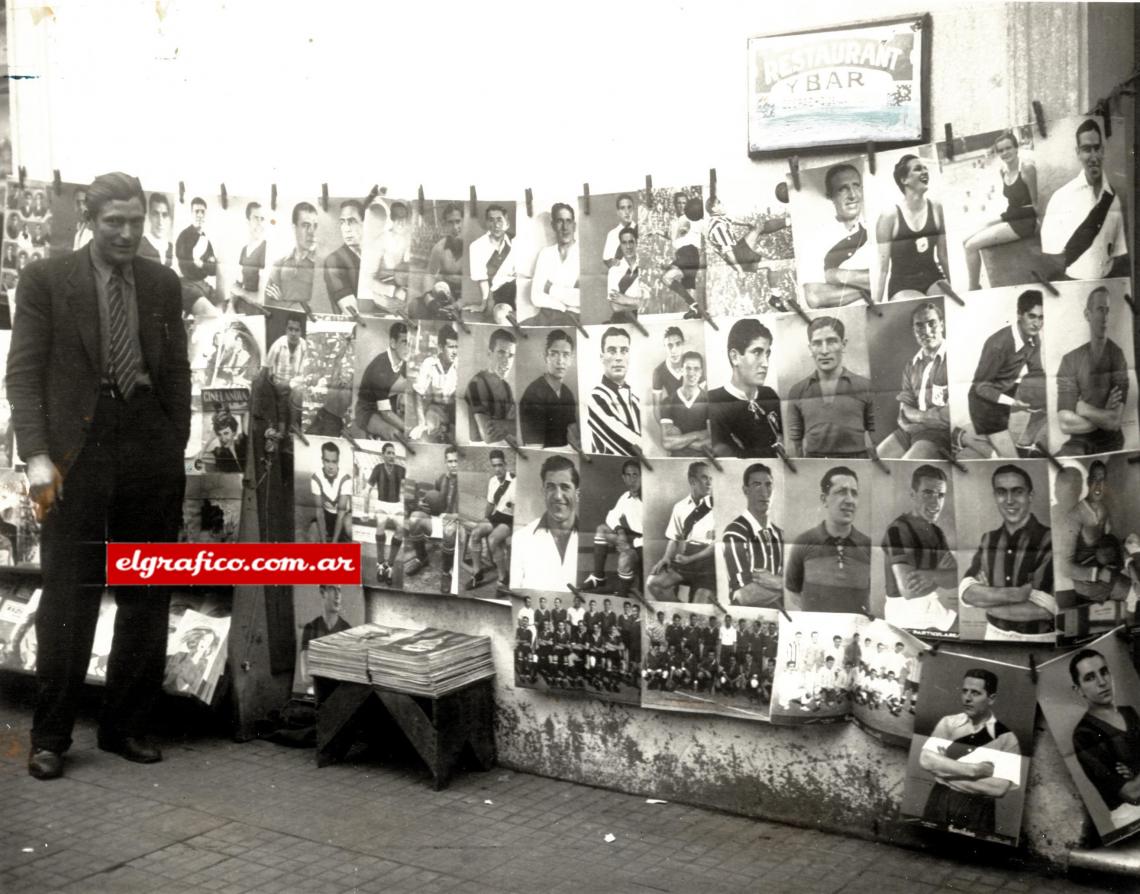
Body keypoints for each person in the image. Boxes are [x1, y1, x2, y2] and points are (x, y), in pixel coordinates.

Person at [8, 172, 191, 779]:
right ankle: (51, 736)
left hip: (146, 443)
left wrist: (172, 440)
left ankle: (125, 726)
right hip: (75, 454)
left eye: (136, 221)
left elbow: (177, 372)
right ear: (90, 219)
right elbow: (24, 375)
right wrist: (36, 456)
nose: (127, 233)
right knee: (71, 592)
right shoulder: (46, 281)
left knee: (146, 590)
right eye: (115, 221)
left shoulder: (163, 284)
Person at [919, 668, 1022, 838]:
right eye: (965, 691)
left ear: (991, 698)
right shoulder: (948, 723)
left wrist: (945, 771)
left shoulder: (1006, 737)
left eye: (975, 693)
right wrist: (975, 771)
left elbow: (999, 788)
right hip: (940, 800)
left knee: (971, 859)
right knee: (930, 847)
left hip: (979, 809)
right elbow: (926, 760)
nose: (967, 698)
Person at [960, 464, 1055, 642]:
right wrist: (1017, 594)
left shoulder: (1049, 539)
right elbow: (966, 591)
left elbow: (1045, 609)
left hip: (1040, 639)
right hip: (993, 634)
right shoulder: (988, 539)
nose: (1009, 500)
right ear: (995, 496)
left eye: (1018, 491)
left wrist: (985, 601)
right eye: (1002, 492)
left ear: (1030, 496)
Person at [1041, 118, 1130, 281]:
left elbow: (1117, 252)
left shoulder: (1113, 199)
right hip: (1073, 283)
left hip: (1106, 282)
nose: (1093, 156)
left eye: (1097, 148)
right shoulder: (1060, 198)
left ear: (1103, 151)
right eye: (1087, 149)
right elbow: (1051, 252)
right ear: (1078, 153)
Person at [966, 289, 1046, 458]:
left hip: (1006, 391)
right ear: (1019, 314)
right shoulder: (998, 344)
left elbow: (1037, 372)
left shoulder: (1034, 338)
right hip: (984, 402)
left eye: (1041, 318)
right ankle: (964, 437)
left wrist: (1043, 395)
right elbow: (981, 387)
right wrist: (1013, 403)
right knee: (1011, 459)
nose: (1037, 323)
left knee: (1051, 398)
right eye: (1032, 316)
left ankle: (1024, 443)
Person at [882, 464, 958, 633]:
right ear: (913, 495)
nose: (935, 502)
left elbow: (955, 578)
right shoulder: (897, 530)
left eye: (941, 495)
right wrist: (940, 574)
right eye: (928, 493)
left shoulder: (936, 531)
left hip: (930, 605)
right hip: (905, 612)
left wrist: (931, 576)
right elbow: (909, 591)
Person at [785, 466, 871, 613]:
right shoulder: (804, 542)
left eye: (854, 493)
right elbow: (793, 591)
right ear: (824, 499)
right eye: (841, 492)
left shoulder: (868, 545)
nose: (850, 500)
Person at [1069, 649, 1140, 825]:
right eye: (1090, 677)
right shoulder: (1083, 734)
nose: (1102, 682)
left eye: (1104, 672)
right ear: (1078, 690)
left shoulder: (1129, 713)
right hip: (1132, 816)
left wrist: (1135, 770)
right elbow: (1132, 793)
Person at [1056, 286, 1130, 455]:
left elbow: (1114, 421)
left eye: (1107, 311)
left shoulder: (1117, 356)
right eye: (1099, 310)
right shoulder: (1070, 360)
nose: (1104, 317)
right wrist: (1104, 411)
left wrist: (1084, 409)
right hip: (1078, 442)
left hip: (1110, 442)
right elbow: (1065, 424)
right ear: (1087, 314)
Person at [786, 316, 874, 459]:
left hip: (858, 463)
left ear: (843, 344)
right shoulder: (798, 390)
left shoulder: (865, 386)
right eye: (817, 343)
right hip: (814, 465)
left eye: (831, 341)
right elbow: (795, 445)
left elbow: (877, 439)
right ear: (810, 349)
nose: (824, 351)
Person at [963, 131, 1039, 290]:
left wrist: (1042, 228)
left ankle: (973, 289)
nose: (1005, 153)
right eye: (1001, 150)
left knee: (971, 246)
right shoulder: (1002, 171)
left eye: (1008, 148)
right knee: (965, 239)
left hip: (1024, 222)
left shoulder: (1027, 169)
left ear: (1016, 148)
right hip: (1010, 215)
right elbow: (1012, 202)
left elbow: (1035, 204)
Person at [876, 301, 951, 460]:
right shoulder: (911, 365)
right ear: (914, 331)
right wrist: (926, 417)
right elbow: (904, 410)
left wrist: (915, 418)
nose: (927, 331)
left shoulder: (954, 358)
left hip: (939, 435)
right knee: (877, 460)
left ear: (942, 325)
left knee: (907, 464)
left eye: (932, 324)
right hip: (910, 430)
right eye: (919, 326)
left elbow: (947, 417)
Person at [874, 154, 950, 303]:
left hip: (934, 277)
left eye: (925, 168)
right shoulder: (889, 216)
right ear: (904, 180)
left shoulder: (936, 208)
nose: (924, 172)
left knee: (948, 304)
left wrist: (953, 288)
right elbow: (882, 268)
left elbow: (943, 256)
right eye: (917, 169)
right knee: (924, 306)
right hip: (903, 284)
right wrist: (876, 304)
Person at [708, 317, 782, 458]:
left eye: (767, 354)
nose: (765, 363)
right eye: (757, 352)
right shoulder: (713, 401)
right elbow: (729, 457)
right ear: (735, 357)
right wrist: (773, 450)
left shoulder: (770, 395)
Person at [803, 163, 873, 308]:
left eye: (856, 186)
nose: (852, 195)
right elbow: (814, 297)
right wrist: (866, 287)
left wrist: (837, 275)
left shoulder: (876, 229)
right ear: (830, 196)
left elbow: (891, 278)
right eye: (843, 189)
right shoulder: (815, 239)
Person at [647, 462, 717, 603]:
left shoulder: (718, 506)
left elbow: (717, 544)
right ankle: (682, 612)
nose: (709, 483)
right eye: (704, 478)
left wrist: (689, 559)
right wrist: (666, 558)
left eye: (711, 478)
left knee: (699, 606)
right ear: (692, 481)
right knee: (653, 583)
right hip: (688, 557)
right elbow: (674, 537)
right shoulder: (680, 507)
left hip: (710, 563)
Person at [511, 454, 579, 592]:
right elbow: (515, 596)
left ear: (577, 494)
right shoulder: (521, 539)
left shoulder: (594, 540)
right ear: (543, 491)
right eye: (551, 487)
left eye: (565, 487)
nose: (558, 496)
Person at [722, 462, 785, 607]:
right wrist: (785, 585)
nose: (764, 492)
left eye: (768, 485)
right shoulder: (735, 532)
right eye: (757, 485)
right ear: (745, 490)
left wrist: (779, 583)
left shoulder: (780, 534)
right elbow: (744, 595)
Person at [581, 459, 642, 596]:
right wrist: (620, 532)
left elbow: (653, 535)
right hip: (630, 537)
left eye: (635, 475)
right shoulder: (626, 496)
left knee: (625, 557)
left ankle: (622, 591)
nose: (632, 480)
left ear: (642, 476)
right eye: (628, 475)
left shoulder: (648, 498)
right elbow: (611, 516)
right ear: (623, 478)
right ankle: (598, 577)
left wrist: (628, 546)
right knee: (601, 529)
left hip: (644, 544)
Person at [405, 445, 461, 590]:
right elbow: (434, 500)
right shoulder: (441, 479)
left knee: (449, 528)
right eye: (450, 461)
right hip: (440, 520)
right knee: (415, 518)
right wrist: (423, 503)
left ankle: (446, 572)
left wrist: (451, 515)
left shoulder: (467, 482)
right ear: (445, 462)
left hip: (458, 525)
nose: (454, 465)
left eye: (457, 461)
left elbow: (472, 514)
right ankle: (422, 558)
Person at [464, 448, 514, 591]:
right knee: (475, 533)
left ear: (505, 464)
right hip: (497, 515)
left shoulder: (514, 481)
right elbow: (491, 504)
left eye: (500, 465)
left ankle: (503, 578)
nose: (497, 469)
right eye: (494, 466)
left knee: (493, 540)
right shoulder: (492, 481)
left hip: (510, 518)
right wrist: (483, 521)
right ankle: (477, 573)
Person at [518, 329, 578, 448]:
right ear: (546, 357)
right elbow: (534, 448)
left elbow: (574, 439)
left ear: (571, 359)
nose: (560, 361)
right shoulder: (533, 395)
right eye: (554, 353)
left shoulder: (567, 393)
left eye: (565, 355)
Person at [587, 327, 641, 455]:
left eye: (624, 351)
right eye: (612, 351)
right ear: (602, 357)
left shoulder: (636, 400)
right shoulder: (595, 397)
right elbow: (631, 446)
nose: (618, 357)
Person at [525, 202, 580, 326]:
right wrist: (563, 307)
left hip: (573, 318)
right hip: (546, 315)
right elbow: (535, 296)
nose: (565, 227)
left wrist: (550, 288)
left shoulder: (584, 254)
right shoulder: (546, 254)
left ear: (574, 226)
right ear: (553, 225)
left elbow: (582, 299)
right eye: (560, 221)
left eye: (568, 221)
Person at [355, 321, 410, 439]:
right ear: (393, 343)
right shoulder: (380, 369)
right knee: (395, 434)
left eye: (410, 344)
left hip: (386, 406)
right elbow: (385, 413)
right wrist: (409, 429)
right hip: (367, 411)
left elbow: (413, 382)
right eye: (404, 343)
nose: (408, 348)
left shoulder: (402, 360)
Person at [464, 328, 517, 444]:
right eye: (501, 353)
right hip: (479, 447)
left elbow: (515, 427)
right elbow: (489, 436)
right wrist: (511, 425)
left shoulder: (506, 387)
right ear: (489, 354)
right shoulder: (476, 384)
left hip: (504, 444)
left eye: (511, 355)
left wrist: (505, 425)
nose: (506, 361)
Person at [263, 314, 308, 447]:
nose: (293, 333)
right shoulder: (279, 344)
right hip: (277, 385)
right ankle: (281, 433)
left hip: (294, 386)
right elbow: (267, 366)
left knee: (296, 394)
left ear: (301, 332)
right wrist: (273, 384)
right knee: (280, 402)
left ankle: (291, 431)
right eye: (290, 329)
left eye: (296, 330)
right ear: (286, 330)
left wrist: (289, 384)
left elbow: (305, 373)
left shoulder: (304, 346)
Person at [363, 442, 406, 585]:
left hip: (396, 505)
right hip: (381, 504)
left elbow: (409, 488)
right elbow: (366, 490)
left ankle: (390, 565)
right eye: (388, 453)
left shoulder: (400, 469)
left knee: (401, 528)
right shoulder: (378, 468)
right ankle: (380, 564)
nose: (392, 456)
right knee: (380, 524)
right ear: (383, 455)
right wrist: (365, 511)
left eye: (393, 453)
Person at [408, 324, 458, 443]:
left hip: (455, 410)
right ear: (441, 347)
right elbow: (418, 393)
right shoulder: (429, 363)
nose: (455, 352)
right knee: (426, 433)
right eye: (451, 347)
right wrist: (421, 423)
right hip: (435, 409)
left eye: (457, 347)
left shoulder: (459, 365)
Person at [467, 203, 516, 323]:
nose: (496, 225)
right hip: (501, 295)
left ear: (507, 223)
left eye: (499, 220)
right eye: (491, 220)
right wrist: (483, 304)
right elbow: (482, 279)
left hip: (521, 291)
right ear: (487, 223)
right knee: (501, 315)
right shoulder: (477, 247)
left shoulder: (516, 242)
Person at [266, 201, 320, 307]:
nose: (312, 232)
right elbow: (268, 303)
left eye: (315, 226)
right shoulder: (279, 263)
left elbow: (318, 308)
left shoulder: (322, 266)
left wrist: (282, 300)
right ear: (294, 228)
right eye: (305, 225)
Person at [298, 585, 350, 691]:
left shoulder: (347, 630)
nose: (337, 595)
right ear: (322, 592)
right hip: (317, 692)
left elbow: (349, 676)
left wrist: (319, 669)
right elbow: (306, 677)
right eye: (332, 589)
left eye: (339, 590)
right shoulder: (311, 628)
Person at [660, 195, 705, 318]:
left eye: (684, 203)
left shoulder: (693, 219)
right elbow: (674, 236)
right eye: (678, 203)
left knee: (666, 278)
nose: (681, 205)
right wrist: (657, 232)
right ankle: (695, 310)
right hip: (684, 254)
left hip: (689, 253)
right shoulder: (676, 221)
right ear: (675, 205)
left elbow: (687, 228)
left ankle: (694, 306)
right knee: (688, 285)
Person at [659, 350, 709, 456]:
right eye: (688, 368)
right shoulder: (668, 402)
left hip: (704, 460)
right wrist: (698, 434)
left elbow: (711, 442)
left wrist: (679, 439)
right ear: (681, 370)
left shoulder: (709, 400)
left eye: (696, 369)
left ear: (701, 372)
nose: (691, 373)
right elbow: (667, 443)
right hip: (676, 463)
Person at [175, 196, 219, 312]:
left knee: (222, 303)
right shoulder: (183, 236)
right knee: (210, 312)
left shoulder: (206, 240)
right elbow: (185, 268)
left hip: (202, 284)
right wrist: (204, 266)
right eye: (196, 211)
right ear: (191, 213)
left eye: (202, 212)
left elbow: (214, 270)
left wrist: (202, 265)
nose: (200, 215)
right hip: (187, 285)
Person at [423, 202, 464, 318]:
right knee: (416, 307)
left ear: (464, 221)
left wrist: (459, 304)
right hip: (446, 294)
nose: (455, 227)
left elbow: (478, 285)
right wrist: (429, 300)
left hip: (469, 298)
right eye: (450, 223)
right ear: (445, 225)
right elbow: (429, 275)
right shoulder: (439, 247)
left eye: (458, 221)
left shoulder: (475, 247)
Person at [323, 199, 365, 314]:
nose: (346, 229)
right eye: (342, 222)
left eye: (352, 221)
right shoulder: (334, 260)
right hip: (350, 328)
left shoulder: (373, 256)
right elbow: (352, 312)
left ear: (365, 223)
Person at [310, 441, 353, 544]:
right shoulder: (316, 478)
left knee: (349, 526)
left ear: (338, 462)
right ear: (322, 461)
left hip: (342, 517)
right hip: (326, 515)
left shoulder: (345, 479)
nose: (330, 466)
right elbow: (319, 513)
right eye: (327, 461)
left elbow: (341, 514)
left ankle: (346, 541)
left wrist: (333, 545)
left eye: (334, 462)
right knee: (312, 532)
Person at [650, 326, 687, 422]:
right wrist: (665, 429)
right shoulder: (658, 372)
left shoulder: (693, 363)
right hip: (674, 420)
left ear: (683, 344)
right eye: (669, 345)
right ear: (664, 346)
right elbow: (656, 408)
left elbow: (705, 399)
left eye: (678, 344)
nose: (673, 350)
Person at [606, 226, 642, 322]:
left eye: (631, 242)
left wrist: (626, 300)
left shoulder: (645, 266)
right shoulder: (614, 270)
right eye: (624, 243)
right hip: (623, 320)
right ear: (620, 245)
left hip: (644, 319)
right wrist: (639, 303)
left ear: (637, 243)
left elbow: (652, 302)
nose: (628, 246)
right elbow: (615, 307)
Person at [232, 201, 267, 301]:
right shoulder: (244, 249)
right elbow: (237, 283)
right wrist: (231, 305)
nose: (260, 223)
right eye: (256, 218)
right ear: (248, 222)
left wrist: (239, 292)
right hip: (243, 303)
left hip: (257, 309)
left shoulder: (266, 249)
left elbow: (260, 299)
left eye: (262, 219)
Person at [136, 191, 174, 269]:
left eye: (164, 215)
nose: (160, 221)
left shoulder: (171, 247)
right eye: (156, 214)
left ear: (169, 218)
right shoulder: (139, 245)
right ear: (149, 216)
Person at [601, 193, 636, 268]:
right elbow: (607, 260)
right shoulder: (612, 234)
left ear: (633, 210)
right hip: (619, 276)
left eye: (629, 207)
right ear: (618, 212)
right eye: (622, 208)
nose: (627, 212)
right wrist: (612, 261)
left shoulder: (640, 230)